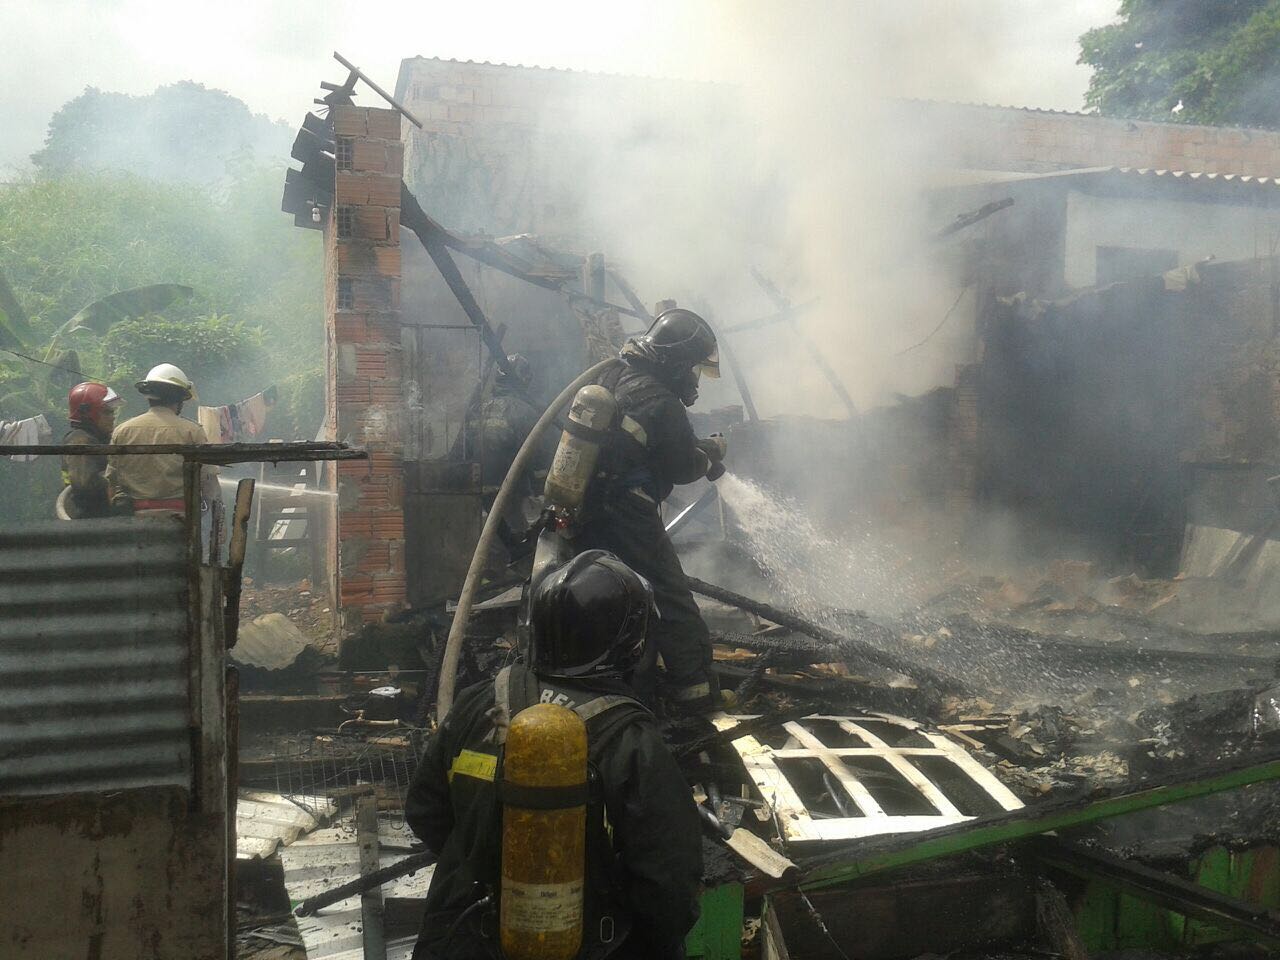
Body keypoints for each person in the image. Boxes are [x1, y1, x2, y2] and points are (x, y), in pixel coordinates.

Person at [406, 550, 703, 960]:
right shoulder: (630, 739)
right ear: (630, 643)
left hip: (460, 937)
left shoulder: (478, 703)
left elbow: (424, 811)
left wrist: (486, 863)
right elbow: (670, 884)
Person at [572, 307, 729, 711]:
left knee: (598, 589)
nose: (694, 378)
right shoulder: (663, 401)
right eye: (692, 368)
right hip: (627, 512)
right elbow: (682, 466)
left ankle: (604, 677)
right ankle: (693, 691)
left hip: (586, 506)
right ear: (677, 361)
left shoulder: (613, 376)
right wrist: (710, 451)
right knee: (670, 595)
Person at [107, 363, 217, 514]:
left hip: (132, 517)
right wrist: (205, 510)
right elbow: (208, 479)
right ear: (179, 398)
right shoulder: (192, 431)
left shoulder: (122, 431)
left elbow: (112, 480)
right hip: (180, 516)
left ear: (148, 395)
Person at [60, 382, 124, 518]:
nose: (112, 417)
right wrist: (119, 482)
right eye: (107, 412)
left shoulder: (98, 438)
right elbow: (85, 483)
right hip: (90, 518)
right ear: (86, 413)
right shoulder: (79, 440)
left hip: (101, 513)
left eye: (113, 412)